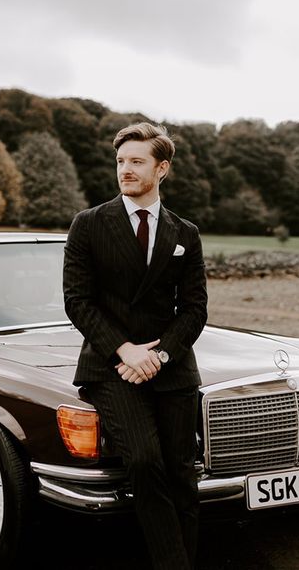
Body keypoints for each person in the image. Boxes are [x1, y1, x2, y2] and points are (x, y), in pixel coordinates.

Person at [63, 122, 208, 570]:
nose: (125, 169)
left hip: (172, 367)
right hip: (112, 368)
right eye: (121, 161)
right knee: (145, 463)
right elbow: (78, 302)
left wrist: (159, 355)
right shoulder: (89, 225)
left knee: (183, 475)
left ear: (161, 168)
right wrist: (125, 351)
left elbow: (195, 310)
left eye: (137, 161)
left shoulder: (185, 233)